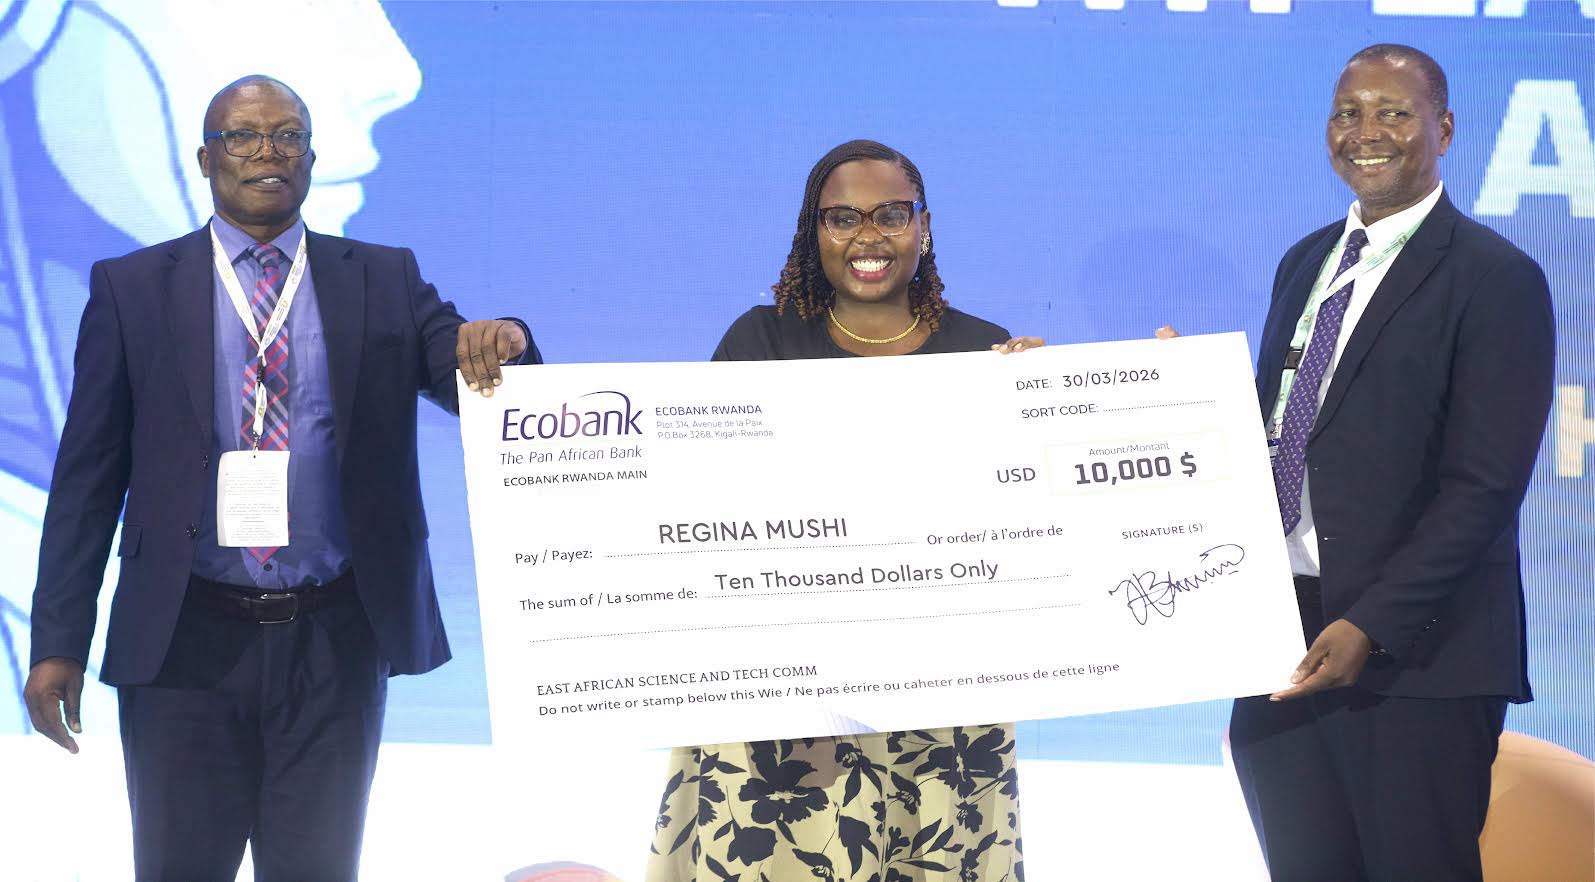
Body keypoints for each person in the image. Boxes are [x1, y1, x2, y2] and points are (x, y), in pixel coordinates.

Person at [22, 75, 539, 880]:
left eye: (288, 135)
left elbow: (469, 374)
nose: (268, 152)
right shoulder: (133, 288)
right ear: (206, 158)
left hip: (334, 638)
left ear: (309, 157)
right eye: (242, 135)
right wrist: (58, 640)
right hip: (183, 638)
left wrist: (506, 344)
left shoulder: (382, 277)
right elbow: (87, 479)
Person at [648, 140, 1039, 881]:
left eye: (891, 214)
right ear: (814, 232)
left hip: (939, 693)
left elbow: (1024, 524)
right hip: (781, 687)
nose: (868, 236)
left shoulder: (985, 352)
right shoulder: (759, 339)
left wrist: (1046, 405)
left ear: (924, 226)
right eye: (842, 218)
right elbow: (697, 501)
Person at [1227, 45, 1555, 881]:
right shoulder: (1304, 261)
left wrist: (1370, 625)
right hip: (1280, 638)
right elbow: (1278, 428)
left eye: (1392, 112)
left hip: (1418, 657)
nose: (1364, 131)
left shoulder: (1495, 278)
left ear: (1443, 130)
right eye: (1347, 112)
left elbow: (1482, 488)